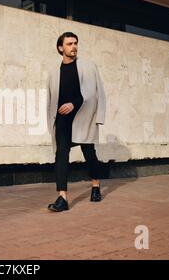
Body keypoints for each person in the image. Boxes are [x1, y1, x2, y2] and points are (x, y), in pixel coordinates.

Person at [46, 32, 107, 212]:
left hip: (83, 116)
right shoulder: (53, 72)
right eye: (69, 44)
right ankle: (62, 197)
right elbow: (50, 98)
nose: (74, 46)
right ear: (60, 48)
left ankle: (95, 186)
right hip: (63, 119)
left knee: (89, 152)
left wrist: (74, 104)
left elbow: (95, 92)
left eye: (75, 43)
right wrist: (51, 120)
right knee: (61, 155)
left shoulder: (88, 66)